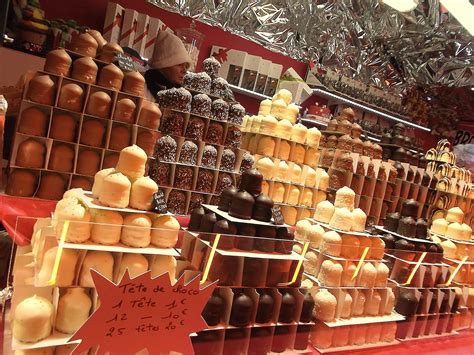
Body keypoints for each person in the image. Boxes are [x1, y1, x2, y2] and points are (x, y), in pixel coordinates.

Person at [144, 30, 192, 100]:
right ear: (163, 66)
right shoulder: (142, 88)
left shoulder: (181, 98)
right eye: (179, 64)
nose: (184, 71)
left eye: (186, 66)